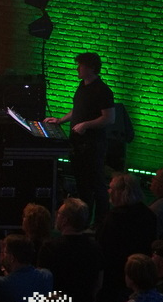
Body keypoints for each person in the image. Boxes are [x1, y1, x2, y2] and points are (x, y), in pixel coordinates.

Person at [44, 51, 116, 221]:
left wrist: (86, 125)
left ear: (91, 68)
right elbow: (78, 109)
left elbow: (109, 118)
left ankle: (100, 223)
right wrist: (60, 120)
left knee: (96, 184)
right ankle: (84, 221)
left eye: (80, 66)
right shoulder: (82, 85)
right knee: (83, 184)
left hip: (93, 146)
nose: (77, 69)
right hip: (78, 144)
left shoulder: (102, 90)